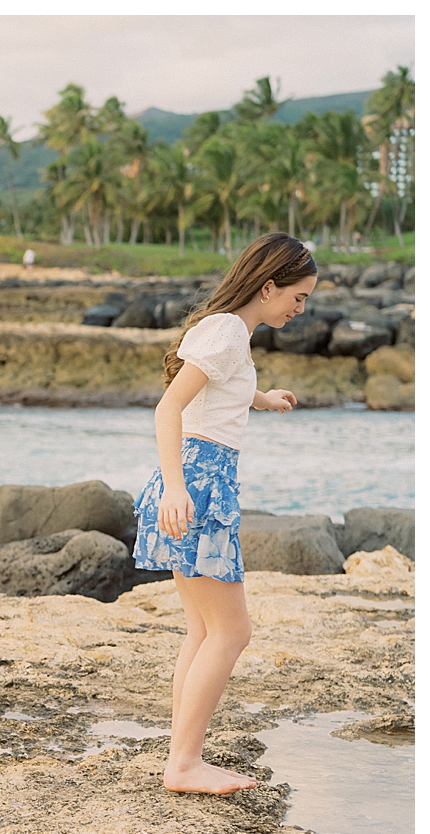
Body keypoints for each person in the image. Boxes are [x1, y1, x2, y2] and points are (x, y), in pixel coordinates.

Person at [133, 232, 316, 795]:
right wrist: (176, 489)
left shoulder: (229, 333)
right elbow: (170, 407)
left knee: (204, 628)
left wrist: (263, 397)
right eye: (298, 297)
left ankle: (181, 753)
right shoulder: (228, 330)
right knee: (233, 632)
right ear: (268, 286)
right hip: (198, 484)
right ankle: (184, 765)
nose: (300, 309)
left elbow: (219, 391)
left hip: (198, 479)